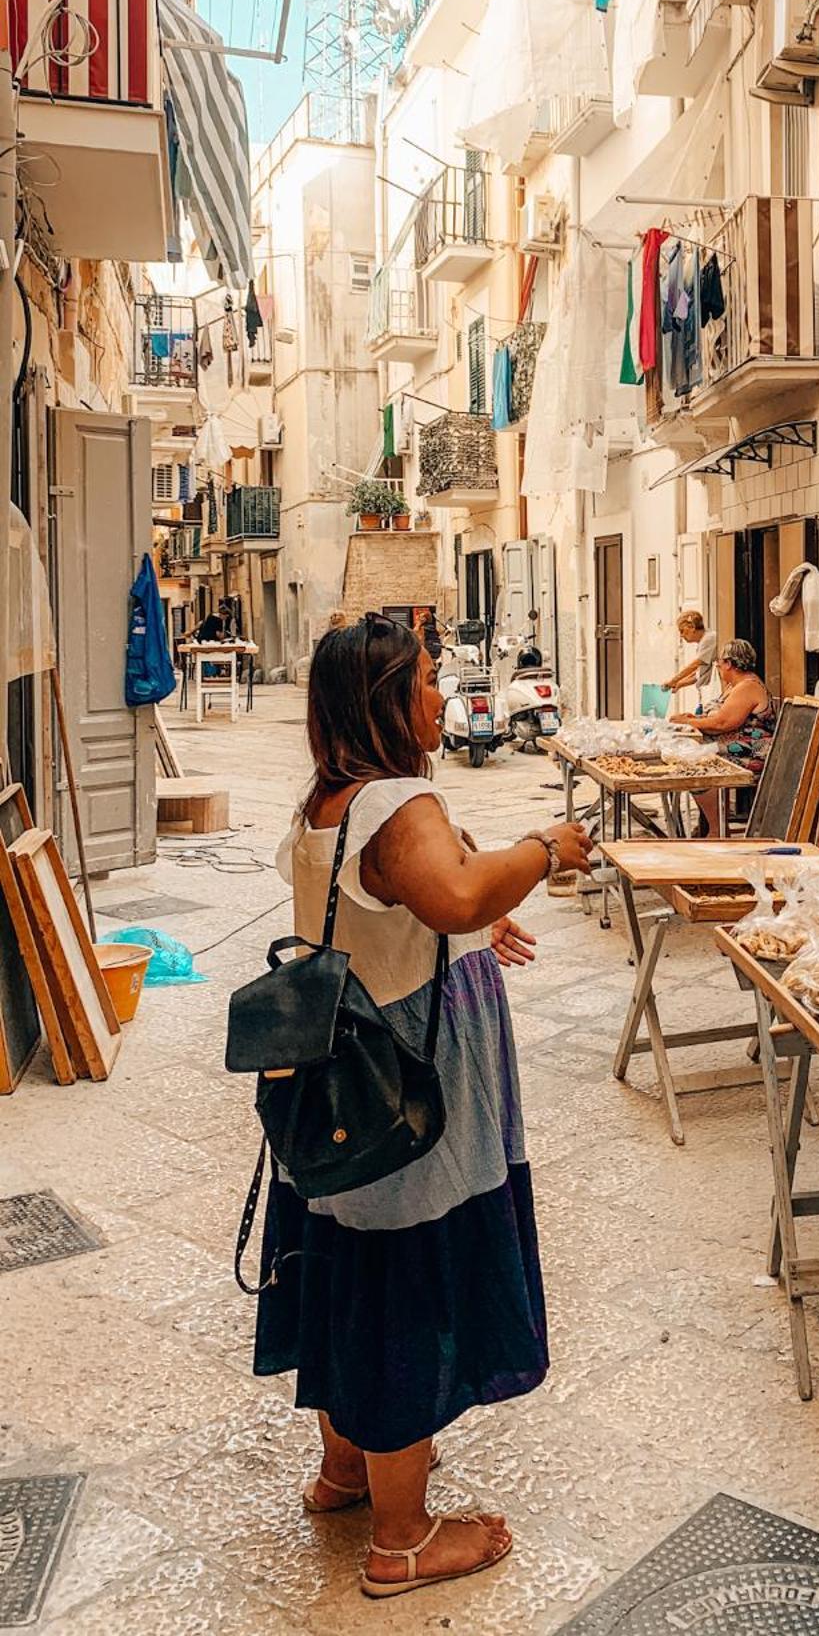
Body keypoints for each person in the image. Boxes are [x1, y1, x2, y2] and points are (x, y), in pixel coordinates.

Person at [256, 613, 593, 1598]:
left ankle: (348, 1466)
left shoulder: (331, 799)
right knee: (406, 1278)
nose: (444, 698)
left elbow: (417, 898)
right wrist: (541, 847)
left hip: (337, 1076)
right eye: (429, 681)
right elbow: (443, 893)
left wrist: (483, 910)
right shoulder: (399, 801)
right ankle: (403, 1536)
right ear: (386, 702)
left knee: (347, 1265)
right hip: (408, 1083)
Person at [676, 637, 774, 836]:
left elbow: (723, 723)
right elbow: (717, 719)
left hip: (755, 750)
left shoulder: (749, 686)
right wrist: (695, 718)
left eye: (719, 663)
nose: (718, 668)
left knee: (698, 766)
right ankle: (712, 826)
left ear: (729, 663)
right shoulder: (735, 686)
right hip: (735, 743)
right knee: (691, 757)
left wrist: (688, 722)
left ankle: (716, 829)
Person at [659, 610, 717, 709]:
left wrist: (673, 680)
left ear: (692, 627)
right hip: (705, 694)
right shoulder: (703, 642)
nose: (681, 635)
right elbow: (698, 673)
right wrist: (679, 684)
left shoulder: (709, 639)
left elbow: (695, 665)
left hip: (713, 694)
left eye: (682, 631)